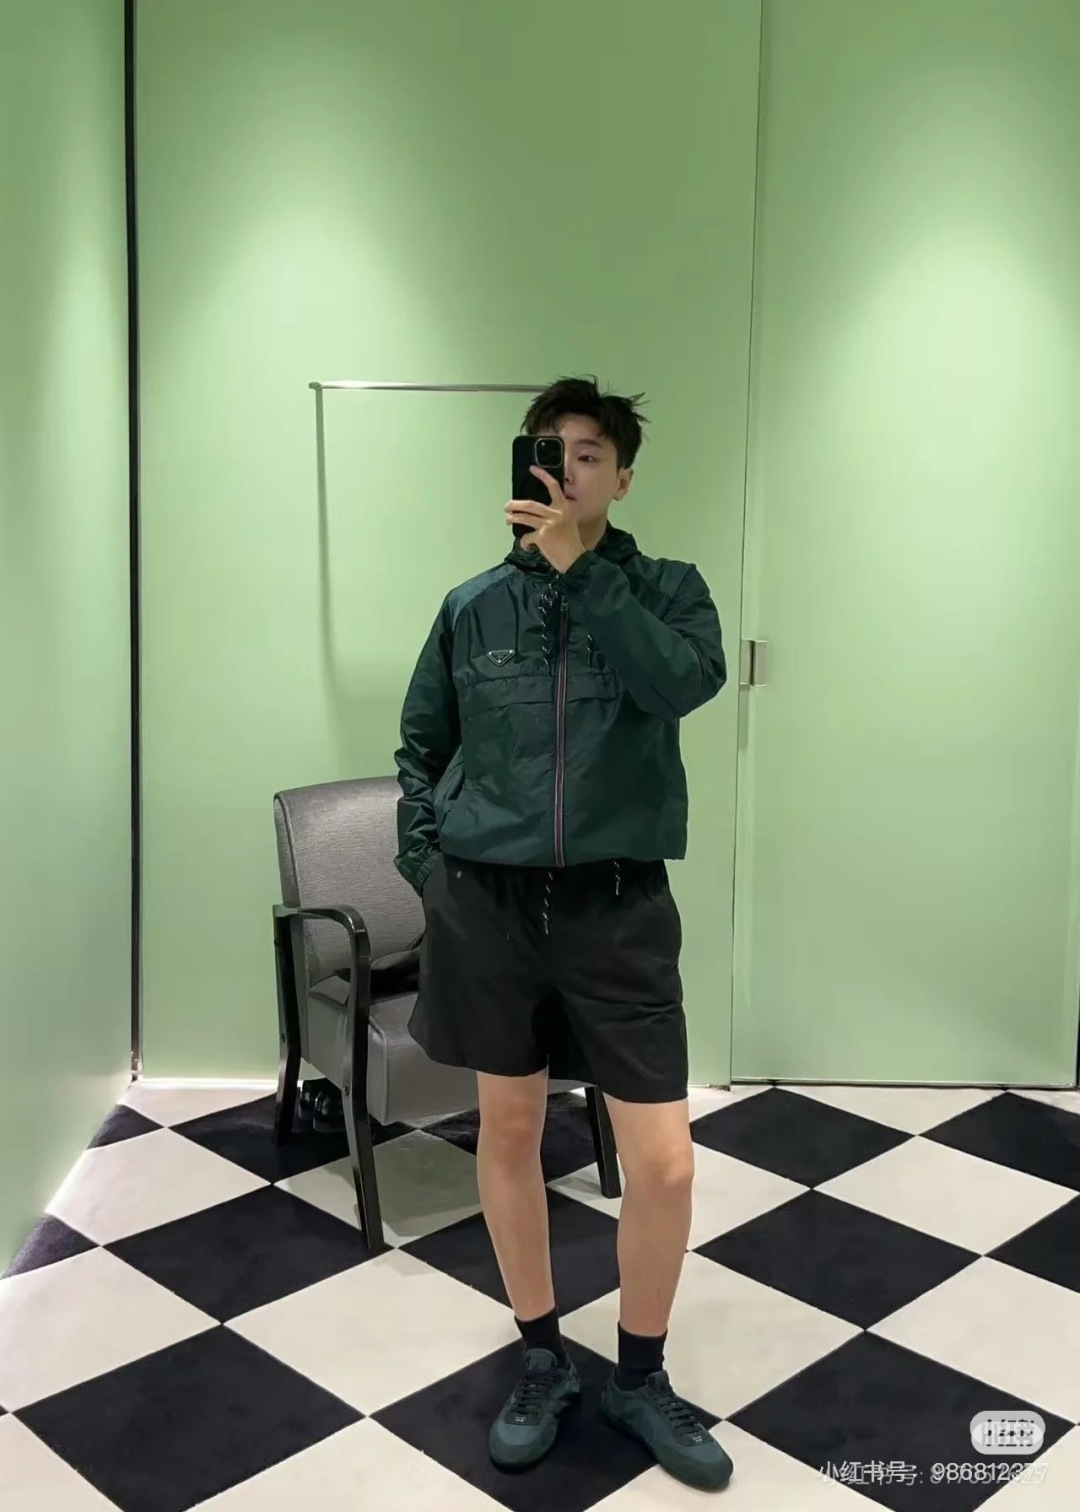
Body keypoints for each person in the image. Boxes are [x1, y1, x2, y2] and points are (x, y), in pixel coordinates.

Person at [393, 375, 732, 1492]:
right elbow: (420, 748)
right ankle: (541, 1357)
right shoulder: (471, 606)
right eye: (550, 449)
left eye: (590, 454)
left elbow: (680, 685)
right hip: (489, 909)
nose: (567, 469)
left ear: (622, 478)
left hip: (617, 906)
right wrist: (431, 871)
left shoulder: (669, 591)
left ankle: (640, 1374)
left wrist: (584, 571)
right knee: (507, 1135)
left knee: (665, 1163)